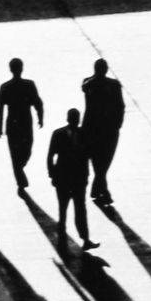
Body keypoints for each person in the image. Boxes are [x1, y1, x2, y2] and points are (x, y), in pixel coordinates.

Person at [47, 108, 100, 252]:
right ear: (69, 119)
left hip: (78, 179)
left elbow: (89, 155)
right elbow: (50, 156)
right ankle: (63, 237)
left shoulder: (83, 134)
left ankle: (85, 238)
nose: (76, 121)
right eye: (74, 118)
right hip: (64, 178)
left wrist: (87, 176)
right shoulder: (58, 134)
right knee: (63, 209)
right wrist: (52, 175)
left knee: (80, 209)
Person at [81, 58, 125, 205]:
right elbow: (121, 106)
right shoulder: (91, 83)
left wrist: (118, 124)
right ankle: (103, 191)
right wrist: (118, 124)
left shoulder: (112, 85)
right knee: (101, 160)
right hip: (102, 128)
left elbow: (120, 106)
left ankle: (99, 189)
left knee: (102, 161)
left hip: (99, 128)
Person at [0, 58, 44, 192]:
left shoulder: (11, 86)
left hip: (16, 123)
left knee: (23, 151)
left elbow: (37, 103)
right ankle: (20, 179)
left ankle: (19, 169)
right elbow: (38, 103)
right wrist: (40, 117)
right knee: (20, 151)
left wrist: (40, 116)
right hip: (22, 122)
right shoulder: (24, 85)